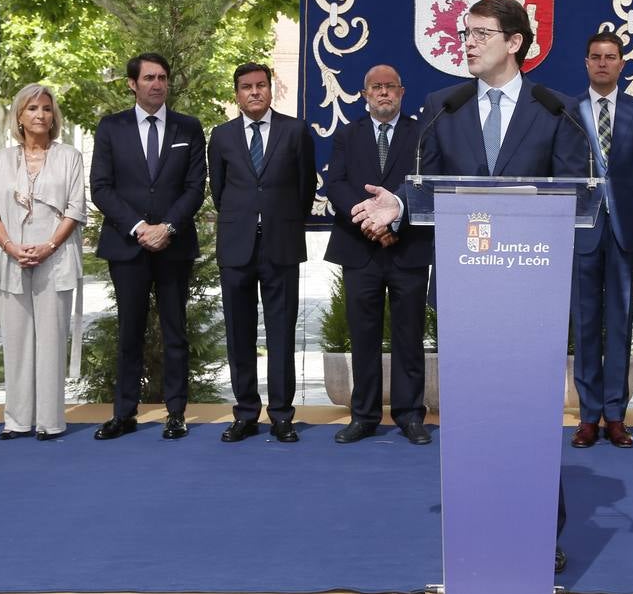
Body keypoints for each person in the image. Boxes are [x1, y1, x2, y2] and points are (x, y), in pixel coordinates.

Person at [351, 0, 586, 575]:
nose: (469, 42)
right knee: (475, 414)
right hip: (466, 289)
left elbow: (577, 197)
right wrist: (400, 205)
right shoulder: (442, 107)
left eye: (482, 33)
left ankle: (537, 527)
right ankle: (477, 521)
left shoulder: (556, 109)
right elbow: (428, 186)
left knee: (530, 414)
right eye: (465, 32)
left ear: (515, 42)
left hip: (532, 290)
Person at [90, 53, 206, 441]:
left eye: (162, 77)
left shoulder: (189, 128)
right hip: (128, 246)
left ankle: (176, 412)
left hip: (173, 246)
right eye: (149, 78)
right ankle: (124, 413)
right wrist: (140, 228)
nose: (157, 84)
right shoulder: (111, 128)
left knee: (175, 331)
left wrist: (167, 227)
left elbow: (195, 187)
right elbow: (101, 187)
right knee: (129, 332)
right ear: (132, 84)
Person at [325, 65, 433, 445]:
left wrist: (393, 222)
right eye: (376, 87)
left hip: (408, 249)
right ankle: (364, 415)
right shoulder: (347, 135)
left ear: (402, 92)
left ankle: (409, 415)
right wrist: (369, 222)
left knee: (409, 335)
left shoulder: (421, 134)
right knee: (363, 335)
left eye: (390, 87)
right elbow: (334, 183)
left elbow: (426, 183)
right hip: (360, 249)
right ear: (365, 94)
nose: (383, 93)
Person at [208, 62, 316, 443]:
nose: (254, 92)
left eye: (260, 86)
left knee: (281, 332)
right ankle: (246, 413)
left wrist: (279, 219)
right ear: (236, 94)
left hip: (281, 244)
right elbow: (220, 192)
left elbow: (305, 188)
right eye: (245, 87)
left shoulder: (295, 130)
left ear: (271, 89)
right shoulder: (221, 136)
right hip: (237, 246)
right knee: (239, 333)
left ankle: (283, 414)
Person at [569, 32, 633, 450]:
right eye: (596, 57)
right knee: (586, 326)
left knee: (620, 327)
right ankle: (588, 417)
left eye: (611, 57)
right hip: (581, 232)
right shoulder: (568, 113)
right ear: (586, 63)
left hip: (627, 232)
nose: (603, 63)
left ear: (622, 64)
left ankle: (615, 416)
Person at [0, 84, 86, 441]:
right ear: (19, 116)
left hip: (54, 257)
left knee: (51, 339)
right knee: (16, 340)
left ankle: (51, 421)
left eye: (45, 108)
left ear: (53, 115)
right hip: (11, 258)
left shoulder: (70, 156)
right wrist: (11, 246)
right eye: (32, 109)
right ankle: (16, 419)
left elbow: (76, 208)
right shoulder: (2, 160)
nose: (40, 115)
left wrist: (49, 245)